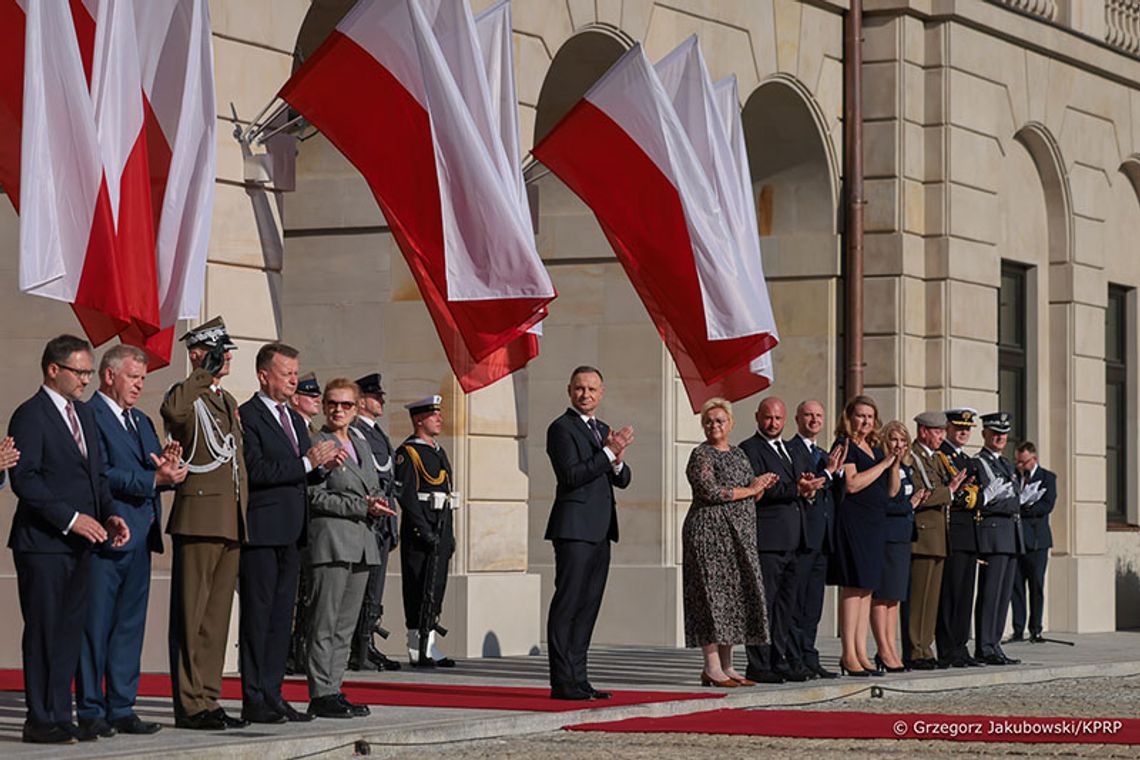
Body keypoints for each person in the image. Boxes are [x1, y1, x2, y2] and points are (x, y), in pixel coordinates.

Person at [8, 335, 130, 744]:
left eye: (89, 372)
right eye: (79, 371)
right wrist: (73, 519)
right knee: (44, 631)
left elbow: (96, 475)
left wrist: (110, 513)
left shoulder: (85, 416)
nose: (86, 380)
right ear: (53, 370)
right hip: (43, 543)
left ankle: (61, 713)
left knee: (68, 634)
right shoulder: (31, 415)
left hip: (83, 543)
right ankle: (39, 718)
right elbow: (26, 479)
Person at [76, 346, 186, 738]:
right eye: (133, 377)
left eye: (142, 378)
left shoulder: (140, 420)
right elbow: (100, 473)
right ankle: (90, 708)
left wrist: (168, 467)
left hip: (140, 537)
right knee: (95, 624)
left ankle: (121, 706)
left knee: (128, 626)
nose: (140, 385)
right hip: (106, 535)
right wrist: (152, 480)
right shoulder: (89, 416)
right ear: (109, 376)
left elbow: (151, 466)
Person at [238, 343, 341, 724]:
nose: (294, 380)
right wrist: (305, 462)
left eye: (296, 373)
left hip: (293, 532)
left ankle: (273, 693)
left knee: (283, 619)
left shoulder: (295, 419)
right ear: (264, 375)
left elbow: (303, 473)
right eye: (287, 374)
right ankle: (253, 697)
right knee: (258, 617)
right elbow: (257, 469)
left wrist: (323, 466)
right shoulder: (248, 416)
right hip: (263, 531)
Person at [162, 317, 249, 730]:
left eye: (226, 351)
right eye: (219, 350)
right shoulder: (189, 394)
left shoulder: (227, 401)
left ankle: (209, 698)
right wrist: (202, 372)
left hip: (229, 519)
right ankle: (189, 703)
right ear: (199, 353)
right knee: (191, 616)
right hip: (198, 517)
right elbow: (173, 411)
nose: (227, 357)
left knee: (215, 621)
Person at [306, 379, 396, 718]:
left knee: (345, 625)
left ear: (357, 408)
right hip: (332, 541)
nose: (338, 410)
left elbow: (370, 484)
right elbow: (314, 495)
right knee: (324, 622)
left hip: (362, 543)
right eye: (331, 403)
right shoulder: (318, 442)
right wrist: (360, 506)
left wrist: (375, 501)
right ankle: (320, 692)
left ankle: (334, 687)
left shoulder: (360, 441)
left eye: (345, 405)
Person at [544, 366, 633, 700]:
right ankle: (561, 680)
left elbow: (621, 479)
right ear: (569, 391)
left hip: (601, 529)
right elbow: (570, 474)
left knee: (588, 606)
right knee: (568, 603)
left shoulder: (603, 430)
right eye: (580, 389)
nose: (586, 395)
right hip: (574, 529)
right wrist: (608, 453)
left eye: (592, 389)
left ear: (601, 393)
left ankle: (579, 678)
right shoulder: (560, 428)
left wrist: (618, 460)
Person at [683, 398, 776, 687]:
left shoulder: (738, 454)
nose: (714, 426)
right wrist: (750, 489)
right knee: (710, 598)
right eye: (709, 421)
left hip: (738, 536)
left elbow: (749, 491)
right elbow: (711, 491)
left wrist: (760, 487)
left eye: (720, 421)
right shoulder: (701, 454)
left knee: (733, 599)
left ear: (731, 424)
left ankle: (727, 665)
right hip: (709, 534)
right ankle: (711, 666)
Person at [740, 397, 825, 684]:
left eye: (777, 419)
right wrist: (798, 489)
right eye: (768, 418)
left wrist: (809, 489)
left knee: (785, 607)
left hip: (794, 538)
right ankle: (758, 663)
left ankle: (779, 659)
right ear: (757, 417)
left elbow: (798, 484)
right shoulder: (750, 449)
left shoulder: (789, 449)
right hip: (769, 539)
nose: (773, 423)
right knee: (764, 605)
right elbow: (760, 489)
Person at [830, 395, 898, 677]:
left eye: (870, 417)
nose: (866, 421)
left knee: (867, 588)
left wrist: (893, 462)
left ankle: (861, 650)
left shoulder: (874, 448)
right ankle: (848, 653)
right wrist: (883, 466)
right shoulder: (844, 445)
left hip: (875, 523)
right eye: (860, 416)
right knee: (852, 586)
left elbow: (891, 491)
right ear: (849, 417)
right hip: (853, 522)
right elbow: (853, 483)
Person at [396, 394, 462, 668]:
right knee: (417, 586)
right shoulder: (408, 452)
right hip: (421, 529)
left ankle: (430, 643)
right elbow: (408, 498)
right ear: (419, 419)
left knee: (436, 588)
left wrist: (449, 535)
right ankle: (416, 646)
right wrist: (424, 531)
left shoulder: (437, 450)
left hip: (441, 526)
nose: (439, 419)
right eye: (433, 415)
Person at [786, 399, 846, 679]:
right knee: (796, 604)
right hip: (802, 537)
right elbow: (806, 485)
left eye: (818, 416)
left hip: (823, 539)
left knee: (813, 606)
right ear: (797, 419)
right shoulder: (790, 450)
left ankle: (810, 656)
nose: (813, 420)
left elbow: (836, 495)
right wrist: (829, 472)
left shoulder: (825, 454)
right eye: (808, 415)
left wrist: (839, 473)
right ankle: (794, 657)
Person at [347, 372, 401, 672]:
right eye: (375, 396)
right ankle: (360, 647)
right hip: (370, 518)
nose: (381, 400)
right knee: (366, 585)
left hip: (383, 519)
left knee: (376, 586)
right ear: (362, 401)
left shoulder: (375, 432)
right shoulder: (357, 432)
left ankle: (367, 643)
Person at [905, 411, 966, 669]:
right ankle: (915, 649)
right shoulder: (913, 457)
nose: (942, 436)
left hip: (938, 535)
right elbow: (921, 494)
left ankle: (925, 649)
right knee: (918, 597)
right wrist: (949, 491)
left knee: (931, 600)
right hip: (923, 533)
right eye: (937, 431)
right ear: (923, 432)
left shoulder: (936, 458)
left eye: (943, 431)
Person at [970, 412, 1024, 665]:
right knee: (990, 594)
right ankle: (984, 646)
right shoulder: (979, 463)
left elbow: (1012, 499)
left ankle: (995, 644)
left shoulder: (1006, 464)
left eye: (1003, 434)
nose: (1000, 437)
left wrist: (1014, 502)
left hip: (1010, 534)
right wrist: (1012, 502)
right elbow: (985, 502)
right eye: (995, 433)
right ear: (985, 435)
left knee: (1003, 595)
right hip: (993, 535)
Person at [872, 420, 926, 673]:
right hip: (887, 537)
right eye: (894, 440)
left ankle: (892, 649)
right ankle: (883, 649)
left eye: (903, 441)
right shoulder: (883, 466)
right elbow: (889, 500)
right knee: (882, 597)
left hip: (903, 537)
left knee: (894, 599)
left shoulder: (906, 467)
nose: (899, 445)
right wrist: (910, 505)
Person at [935, 407, 983, 668]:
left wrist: (973, 496)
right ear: (948, 429)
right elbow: (952, 494)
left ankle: (961, 646)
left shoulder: (968, 460)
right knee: (950, 594)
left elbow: (980, 494)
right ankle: (947, 648)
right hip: (952, 532)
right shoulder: (943, 456)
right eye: (959, 428)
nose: (964, 432)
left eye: (967, 429)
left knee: (965, 595)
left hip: (969, 534)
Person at [285, 372, 321, 676]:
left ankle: (298, 648)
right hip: (291, 515)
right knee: (293, 594)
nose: (317, 401)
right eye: (311, 395)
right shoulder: (294, 428)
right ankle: (289, 650)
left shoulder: (311, 430)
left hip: (305, 520)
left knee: (304, 593)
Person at [1009, 441, 1057, 643]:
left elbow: (1046, 505)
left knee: (1036, 585)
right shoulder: (1013, 476)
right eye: (1018, 462)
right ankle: (1018, 630)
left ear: (1034, 459)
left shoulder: (1047, 478)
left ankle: (1036, 629)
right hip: (1015, 539)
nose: (1020, 466)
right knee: (1016, 587)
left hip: (1037, 541)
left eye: (1023, 462)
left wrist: (1024, 508)